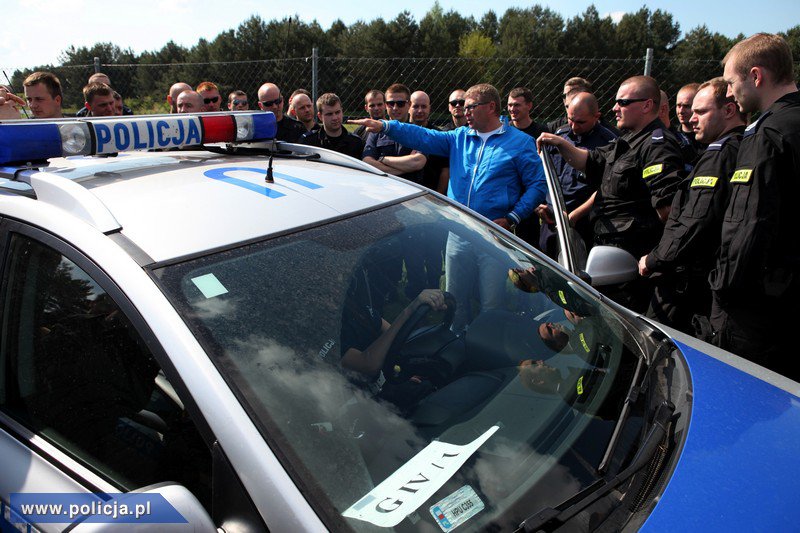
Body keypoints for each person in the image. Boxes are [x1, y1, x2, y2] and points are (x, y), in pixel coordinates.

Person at [350, 83, 547, 331]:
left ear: (491, 107)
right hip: (459, 231)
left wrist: (513, 217)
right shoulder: (460, 137)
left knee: (491, 304)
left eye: (470, 107)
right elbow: (423, 136)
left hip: (494, 235)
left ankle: (487, 346)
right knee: (455, 300)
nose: (464, 112)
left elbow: (537, 185)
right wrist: (386, 126)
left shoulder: (520, 142)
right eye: (463, 107)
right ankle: (455, 343)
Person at [537, 76, 685, 312]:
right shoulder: (627, 140)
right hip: (607, 256)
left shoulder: (657, 145)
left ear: (647, 105)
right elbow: (590, 160)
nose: (615, 108)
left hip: (628, 265)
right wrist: (560, 143)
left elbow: (669, 211)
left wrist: (655, 257)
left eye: (623, 102)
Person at [709, 33, 800, 379]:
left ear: (756, 76)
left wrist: (723, 287)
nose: (729, 93)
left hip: (758, 308)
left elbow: (750, 223)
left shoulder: (766, 133)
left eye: (732, 83)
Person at [639, 78, 746, 335]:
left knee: (654, 342)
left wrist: (653, 259)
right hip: (713, 279)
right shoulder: (744, 146)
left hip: (687, 280)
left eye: (701, 111)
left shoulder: (719, 155)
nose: (691, 118)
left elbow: (696, 221)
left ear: (729, 110)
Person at [536, 92, 617, 258]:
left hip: (583, 223)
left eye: (580, 122)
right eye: (570, 119)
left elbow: (607, 188)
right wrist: (540, 204)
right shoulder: (559, 135)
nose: (573, 126)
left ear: (596, 117)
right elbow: (542, 173)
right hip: (551, 219)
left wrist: (574, 216)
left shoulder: (609, 143)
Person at [362, 83, 426, 181]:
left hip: (411, 187)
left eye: (400, 104)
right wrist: (405, 168)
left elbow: (417, 162)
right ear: (386, 105)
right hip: (383, 187)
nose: (395, 108)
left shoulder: (419, 132)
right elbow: (367, 162)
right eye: (391, 104)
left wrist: (383, 159)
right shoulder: (376, 132)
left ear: (409, 104)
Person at [300, 93, 364, 159]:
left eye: (337, 112)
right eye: (329, 114)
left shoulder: (355, 142)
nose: (335, 118)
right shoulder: (308, 142)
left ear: (342, 112)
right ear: (320, 116)